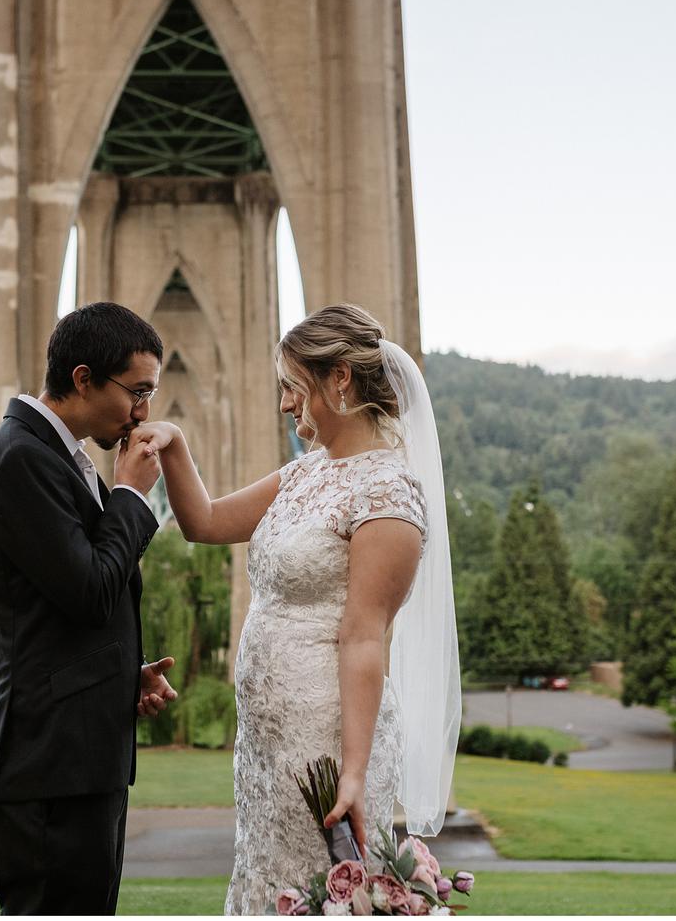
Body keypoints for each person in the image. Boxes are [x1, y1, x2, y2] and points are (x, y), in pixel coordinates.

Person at [131, 303, 461, 915]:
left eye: (292, 385)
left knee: (312, 887)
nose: (285, 403)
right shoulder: (303, 475)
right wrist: (173, 445)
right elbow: (202, 522)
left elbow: (365, 639)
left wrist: (355, 773)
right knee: (263, 877)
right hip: (265, 743)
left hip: (327, 739)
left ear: (339, 378)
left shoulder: (388, 494)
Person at [0, 301, 181, 915]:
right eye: (136, 391)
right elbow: (90, 591)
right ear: (83, 378)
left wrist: (119, 676)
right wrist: (132, 499)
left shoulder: (58, 456)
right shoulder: (20, 458)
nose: (144, 412)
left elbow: (60, 606)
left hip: (77, 762)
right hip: (47, 770)